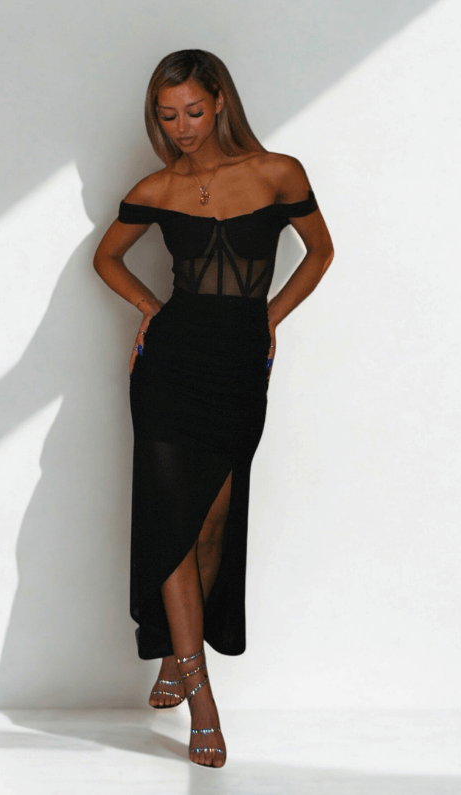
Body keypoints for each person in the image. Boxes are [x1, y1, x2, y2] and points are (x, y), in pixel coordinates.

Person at [93, 49, 334, 768]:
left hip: (237, 369)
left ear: (221, 101)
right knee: (172, 523)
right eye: (168, 116)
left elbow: (320, 252)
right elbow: (106, 258)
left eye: (193, 111)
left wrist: (270, 319)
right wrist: (148, 308)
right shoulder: (157, 187)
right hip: (168, 369)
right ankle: (202, 698)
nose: (182, 127)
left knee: (210, 525)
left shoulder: (279, 173)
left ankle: (177, 651)